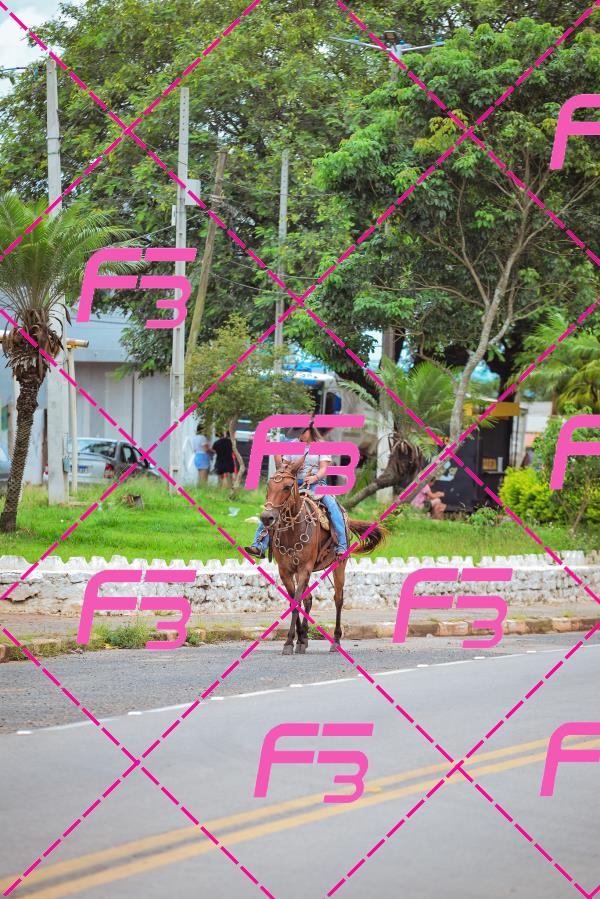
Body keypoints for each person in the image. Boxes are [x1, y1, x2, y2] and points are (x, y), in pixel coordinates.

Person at [245, 421, 348, 558]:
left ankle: (342, 545)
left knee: (332, 506)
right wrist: (286, 466)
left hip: (316, 484)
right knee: (272, 507)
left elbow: (324, 468)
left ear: (309, 430)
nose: (299, 436)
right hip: (293, 484)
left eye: (301, 432)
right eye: (297, 433)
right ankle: (259, 545)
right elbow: (285, 466)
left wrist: (315, 477)